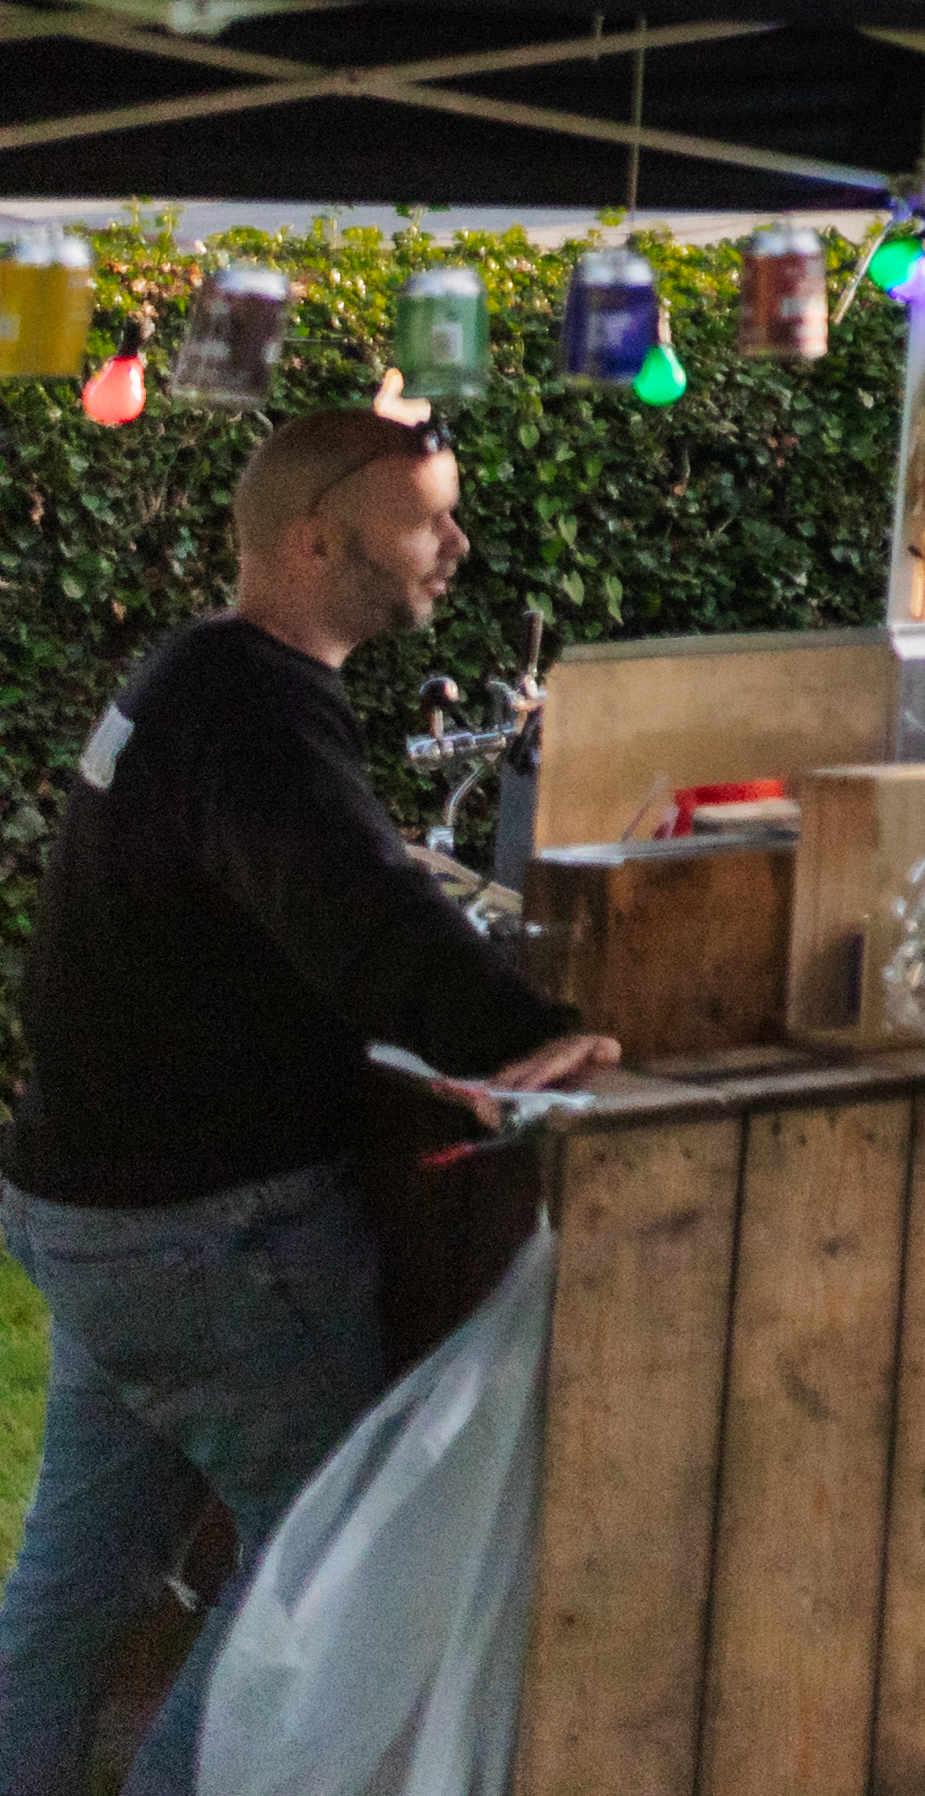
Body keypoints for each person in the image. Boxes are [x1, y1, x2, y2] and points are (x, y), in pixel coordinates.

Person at [3, 413, 617, 1796]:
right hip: (201, 1235)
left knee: (76, 1581)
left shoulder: (199, 679)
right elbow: (358, 913)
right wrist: (527, 1034)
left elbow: (302, 884)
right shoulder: (256, 711)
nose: (455, 547)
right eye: (427, 521)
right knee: (326, 1558)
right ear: (312, 537)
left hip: (102, 1212)